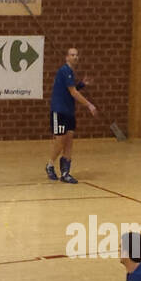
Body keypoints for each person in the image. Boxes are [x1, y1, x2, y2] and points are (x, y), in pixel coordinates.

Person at [45, 48, 97, 185]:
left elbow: (70, 89)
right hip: (59, 111)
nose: (75, 57)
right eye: (72, 55)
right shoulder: (64, 70)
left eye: (76, 55)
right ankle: (50, 165)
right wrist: (89, 105)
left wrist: (82, 84)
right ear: (67, 57)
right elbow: (72, 92)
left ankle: (65, 173)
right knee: (60, 140)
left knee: (69, 140)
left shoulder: (70, 73)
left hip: (69, 111)